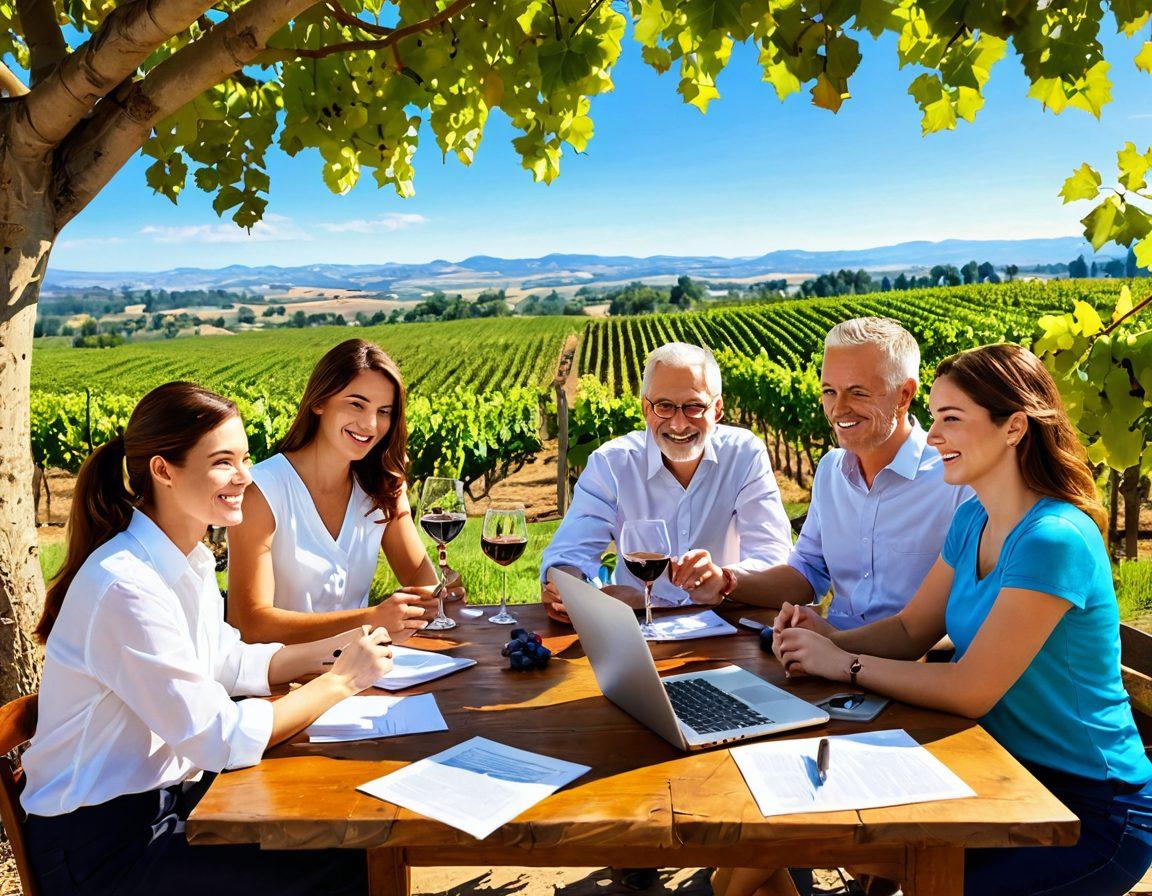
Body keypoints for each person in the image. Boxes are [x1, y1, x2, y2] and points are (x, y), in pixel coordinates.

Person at [724, 343, 1152, 896]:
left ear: (1014, 427)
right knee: (772, 841)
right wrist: (825, 638)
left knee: (831, 850)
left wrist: (843, 662)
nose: (932, 436)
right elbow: (910, 630)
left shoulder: (1053, 539)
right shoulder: (974, 516)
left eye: (951, 419)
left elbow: (971, 690)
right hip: (1001, 773)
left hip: (1090, 809)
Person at [21, 382, 392, 896]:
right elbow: (218, 737)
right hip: (103, 850)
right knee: (349, 860)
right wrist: (341, 683)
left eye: (244, 458)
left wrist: (339, 649)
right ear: (163, 470)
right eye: (223, 462)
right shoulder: (125, 585)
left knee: (340, 836)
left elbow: (229, 661)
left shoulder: (187, 559)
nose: (244, 477)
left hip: (166, 806)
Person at [678, 317, 970, 629]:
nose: (838, 408)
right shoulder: (831, 470)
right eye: (829, 391)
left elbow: (969, 616)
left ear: (904, 394)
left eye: (858, 392)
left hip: (902, 668)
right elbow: (806, 574)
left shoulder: (954, 479)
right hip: (827, 659)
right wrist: (726, 580)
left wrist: (836, 647)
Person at [541, 342, 793, 623]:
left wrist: (724, 581)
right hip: (636, 629)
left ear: (718, 409)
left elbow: (774, 559)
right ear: (646, 408)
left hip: (728, 624)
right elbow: (569, 553)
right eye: (664, 407)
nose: (678, 423)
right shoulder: (611, 464)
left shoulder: (744, 454)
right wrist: (567, 587)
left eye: (694, 406)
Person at [228, 338, 448, 645]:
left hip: (365, 673)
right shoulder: (262, 491)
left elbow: (424, 586)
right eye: (356, 404)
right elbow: (250, 625)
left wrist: (440, 594)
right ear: (319, 402)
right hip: (278, 682)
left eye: (384, 411)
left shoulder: (383, 489)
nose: (370, 424)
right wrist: (370, 619)